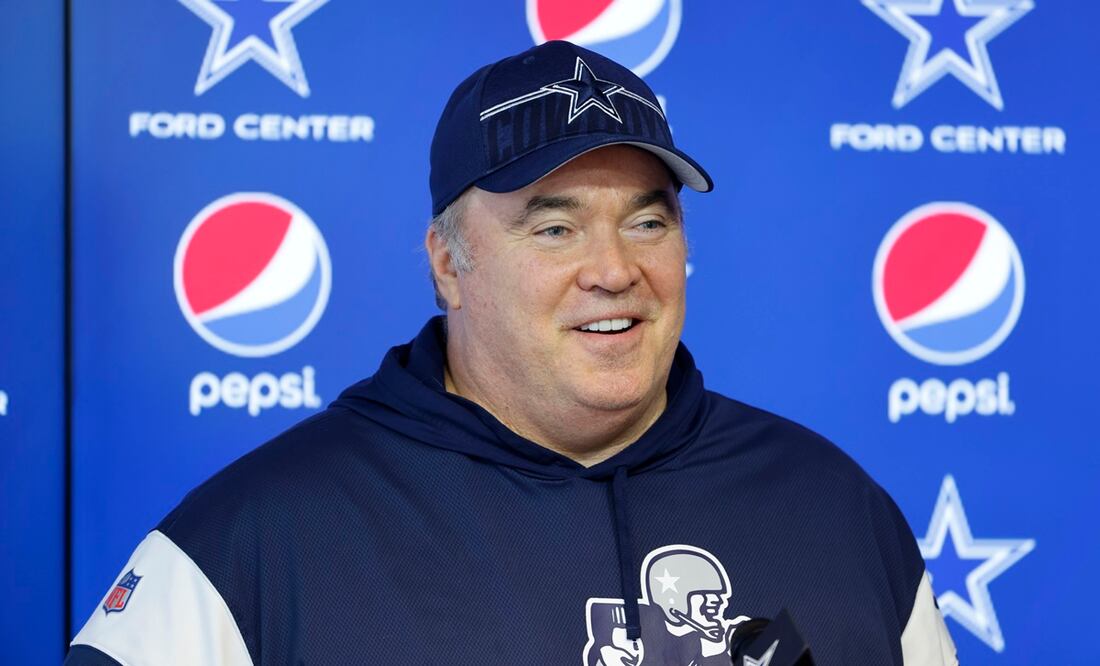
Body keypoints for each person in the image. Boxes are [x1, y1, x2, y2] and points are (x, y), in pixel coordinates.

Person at [66, 41, 957, 665]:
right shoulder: (258, 545)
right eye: (555, 225)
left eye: (647, 219)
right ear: (448, 264)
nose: (615, 270)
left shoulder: (837, 513)